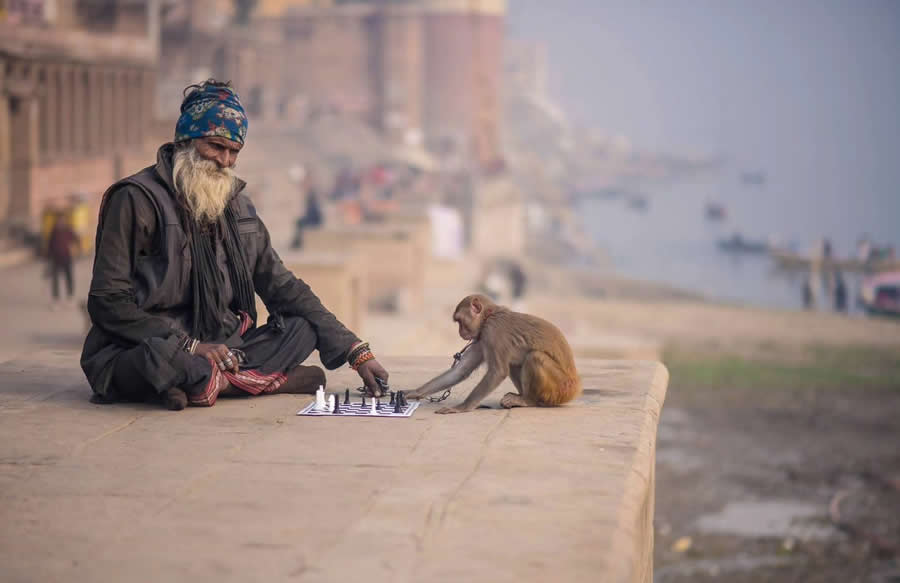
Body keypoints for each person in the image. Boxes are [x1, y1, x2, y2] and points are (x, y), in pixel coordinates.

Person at [81, 80, 389, 411]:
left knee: (301, 328)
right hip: (149, 345)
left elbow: (282, 286)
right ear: (186, 141)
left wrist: (356, 351)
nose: (225, 161)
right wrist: (189, 346)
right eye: (215, 147)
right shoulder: (135, 199)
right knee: (161, 361)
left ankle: (212, 383)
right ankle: (250, 380)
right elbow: (107, 302)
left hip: (223, 346)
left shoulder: (239, 207)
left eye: (234, 152)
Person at [47, 211, 78, 308]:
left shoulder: (68, 229)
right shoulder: (54, 231)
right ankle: (56, 300)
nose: (61, 222)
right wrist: (48, 257)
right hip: (56, 259)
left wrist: (75, 249)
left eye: (63, 220)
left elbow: (76, 239)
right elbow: (50, 244)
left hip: (67, 257)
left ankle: (70, 298)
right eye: (59, 220)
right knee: (55, 280)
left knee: (69, 278)